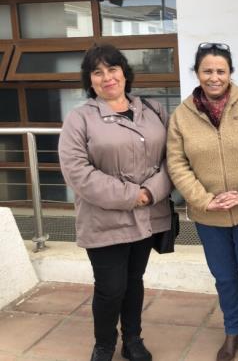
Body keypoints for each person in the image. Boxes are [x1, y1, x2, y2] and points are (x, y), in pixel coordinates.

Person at [58, 44, 172, 361]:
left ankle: (132, 339)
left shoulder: (153, 110)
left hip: (148, 216)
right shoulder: (79, 118)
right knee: (110, 287)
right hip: (104, 219)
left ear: (124, 72)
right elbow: (77, 171)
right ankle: (104, 343)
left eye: (112, 69)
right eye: (98, 72)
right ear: (90, 80)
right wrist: (131, 196)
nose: (107, 77)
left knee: (134, 281)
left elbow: (172, 159)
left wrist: (150, 192)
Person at [167, 43, 238, 361]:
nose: (214, 77)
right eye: (207, 71)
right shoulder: (182, 116)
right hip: (209, 218)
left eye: (221, 71)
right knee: (225, 278)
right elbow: (176, 163)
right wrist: (202, 199)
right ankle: (233, 331)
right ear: (197, 73)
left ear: (230, 73)